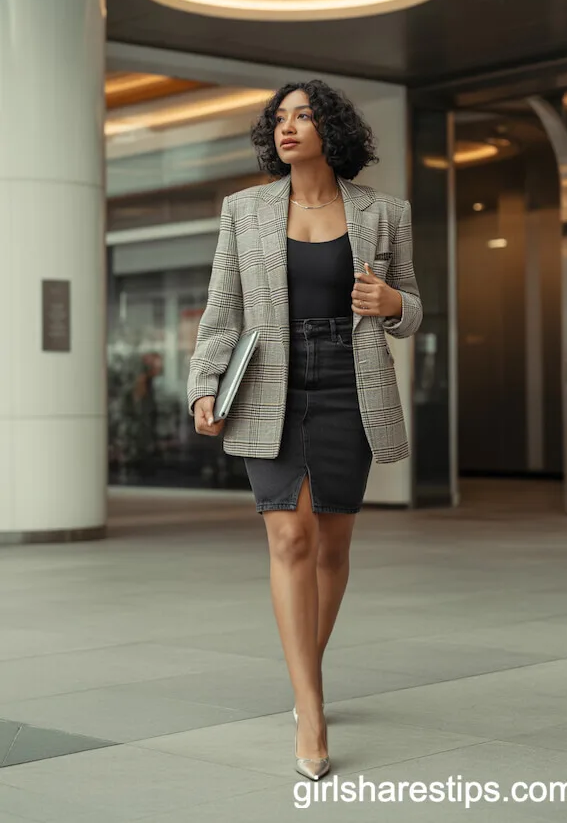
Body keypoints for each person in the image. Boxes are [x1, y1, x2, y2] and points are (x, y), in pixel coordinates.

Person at [187, 80, 422, 780]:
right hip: (269, 381)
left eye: (304, 116)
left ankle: (304, 676)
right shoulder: (244, 211)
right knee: (289, 534)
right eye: (280, 118)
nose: (289, 128)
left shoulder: (385, 212)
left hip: (352, 381)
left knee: (332, 545)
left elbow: (413, 310)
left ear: (333, 130)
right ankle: (310, 709)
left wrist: (391, 302)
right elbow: (221, 308)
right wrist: (204, 382)